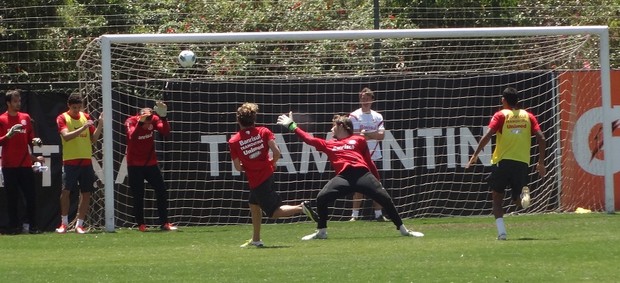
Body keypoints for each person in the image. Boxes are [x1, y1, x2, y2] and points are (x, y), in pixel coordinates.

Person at [277, 111, 424, 240]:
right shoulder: (330, 144)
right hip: (344, 178)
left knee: (385, 198)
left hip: (362, 174)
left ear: (341, 125)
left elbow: (369, 162)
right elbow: (309, 139)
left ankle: (403, 230)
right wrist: (292, 126)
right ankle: (321, 232)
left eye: (333, 125)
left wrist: (377, 181)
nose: (331, 128)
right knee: (321, 198)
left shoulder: (358, 139)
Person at [229, 103, 318, 247]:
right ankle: (256, 239)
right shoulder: (263, 131)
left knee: (273, 212)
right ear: (254, 119)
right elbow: (277, 153)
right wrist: (270, 163)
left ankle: (301, 208)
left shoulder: (234, 141)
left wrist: (251, 166)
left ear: (238, 120)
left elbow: (238, 167)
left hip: (257, 180)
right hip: (268, 175)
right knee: (254, 204)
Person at [465, 87, 546, 240]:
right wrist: (540, 162)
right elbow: (541, 138)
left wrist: (475, 155)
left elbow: (488, 136)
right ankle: (523, 199)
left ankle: (502, 234)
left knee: (496, 198)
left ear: (504, 100)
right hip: (521, 163)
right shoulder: (528, 116)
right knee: (518, 202)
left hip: (501, 162)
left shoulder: (500, 115)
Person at [124, 101, 177, 232]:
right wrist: (140, 123)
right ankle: (141, 224)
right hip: (134, 164)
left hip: (150, 163)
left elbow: (165, 131)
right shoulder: (131, 121)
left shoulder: (153, 119)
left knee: (161, 190)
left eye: (149, 119)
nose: (149, 122)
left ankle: (164, 223)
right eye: (146, 120)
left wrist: (163, 117)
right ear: (139, 116)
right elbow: (132, 137)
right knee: (138, 194)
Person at [55, 93, 103, 234]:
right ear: (69, 106)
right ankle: (64, 223)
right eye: (74, 107)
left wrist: (100, 123)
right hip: (70, 161)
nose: (76, 110)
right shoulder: (63, 118)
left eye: (78, 107)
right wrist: (82, 128)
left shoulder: (86, 117)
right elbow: (66, 136)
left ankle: (79, 224)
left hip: (86, 161)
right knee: (66, 191)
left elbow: (93, 139)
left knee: (86, 192)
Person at [0, 89, 44, 234]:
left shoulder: (25, 117)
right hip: (9, 165)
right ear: (8, 103)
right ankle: (14, 227)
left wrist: (35, 141)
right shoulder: (2, 119)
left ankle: (33, 226)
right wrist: (8, 135)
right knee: (12, 198)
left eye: (19, 101)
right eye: (15, 101)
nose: (18, 104)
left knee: (30, 196)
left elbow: (30, 137)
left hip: (25, 164)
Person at [349, 87, 387, 222]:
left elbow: (381, 135)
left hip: (374, 155)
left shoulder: (378, 116)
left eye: (367, 99)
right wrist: (370, 135)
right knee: (359, 185)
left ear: (372, 100)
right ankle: (354, 216)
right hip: (359, 156)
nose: (364, 101)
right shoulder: (353, 115)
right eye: (362, 99)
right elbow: (354, 136)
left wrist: (366, 134)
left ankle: (378, 215)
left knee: (376, 185)